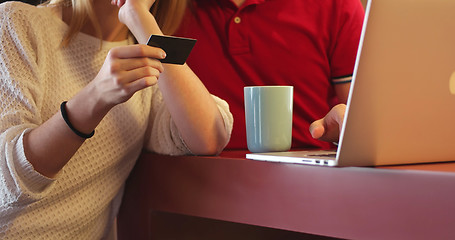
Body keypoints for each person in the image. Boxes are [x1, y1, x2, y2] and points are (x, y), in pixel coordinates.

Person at [0, 0, 233, 238]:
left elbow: (208, 136)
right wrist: (96, 97)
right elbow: (6, 181)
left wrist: (142, 22)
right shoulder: (16, 22)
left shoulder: (145, 63)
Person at [174, 0, 365, 149]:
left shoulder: (336, 5)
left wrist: (348, 128)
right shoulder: (162, 10)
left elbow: (367, 126)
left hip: (310, 180)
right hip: (190, 182)